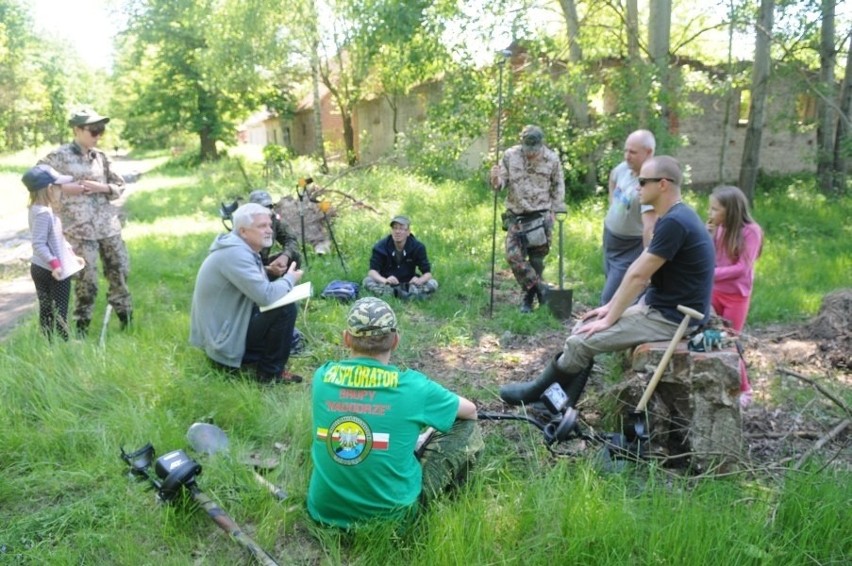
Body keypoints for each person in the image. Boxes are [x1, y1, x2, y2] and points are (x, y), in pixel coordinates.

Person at [500, 156, 715, 407]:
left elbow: (638, 277)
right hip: (661, 308)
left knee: (580, 342)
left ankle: (540, 398)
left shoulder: (675, 222)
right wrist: (608, 308)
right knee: (585, 325)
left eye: (643, 182)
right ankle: (558, 404)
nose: (637, 187)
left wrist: (610, 319)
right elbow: (638, 267)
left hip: (672, 319)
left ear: (663, 184)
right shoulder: (675, 217)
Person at [307, 297, 483, 528]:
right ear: (395, 340)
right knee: (468, 428)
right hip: (393, 520)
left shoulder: (322, 376)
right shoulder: (414, 387)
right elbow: (470, 411)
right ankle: (457, 497)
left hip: (323, 512)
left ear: (347, 338)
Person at [38, 107, 132, 336]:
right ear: (77, 130)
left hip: (108, 228)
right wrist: (61, 187)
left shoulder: (101, 158)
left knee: (119, 274)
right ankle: (81, 330)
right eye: (94, 130)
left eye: (101, 130)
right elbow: (34, 181)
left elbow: (120, 186)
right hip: (78, 232)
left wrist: (103, 187)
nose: (98, 135)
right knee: (86, 284)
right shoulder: (57, 156)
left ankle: (127, 324)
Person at [190, 203, 304, 383]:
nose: (269, 231)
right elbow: (265, 296)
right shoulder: (235, 254)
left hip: (225, 332)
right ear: (243, 231)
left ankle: (260, 361)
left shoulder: (239, 248)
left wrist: (269, 272)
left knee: (279, 293)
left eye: (269, 225)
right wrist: (290, 278)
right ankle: (269, 374)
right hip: (223, 346)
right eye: (261, 226)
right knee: (284, 306)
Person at [490, 125, 566, 313]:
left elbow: (558, 186)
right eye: (527, 148)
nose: (531, 153)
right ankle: (542, 289)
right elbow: (501, 184)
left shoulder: (552, 159)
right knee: (513, 256)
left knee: (536, 261)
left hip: (541, 215)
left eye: (535, 149)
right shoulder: (510, 156)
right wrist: (495, 180)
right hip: (517, 215)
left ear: (541, 144)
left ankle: (528, 300)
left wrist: (556, 212)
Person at [707, 185, 763, 404]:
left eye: (714, 209)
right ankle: (718, 380)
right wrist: (709, 236)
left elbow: (742, 268)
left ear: (730, 210)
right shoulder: (719, 228)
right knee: (711, 336)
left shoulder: (751, 231)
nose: (710, 214)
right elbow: (712, 257)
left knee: (730, 340)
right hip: (715, 292)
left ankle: (745, 389)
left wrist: (710, 275)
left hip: (736, 296)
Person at [23, 165, 84, 341]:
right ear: (49, 189)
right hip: (54, 271)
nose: (61, 190)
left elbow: (55, 239)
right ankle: (66, 343)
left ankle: (48, 343)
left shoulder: (35, 209)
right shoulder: (44, 213)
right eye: (58, 187)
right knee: (59, 309)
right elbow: (39, 243)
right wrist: (55, 265)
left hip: (40, 267)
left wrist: (72, 256)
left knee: (47, 309)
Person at [601, 129, 658, 304]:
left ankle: (606, 327)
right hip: (610, 239)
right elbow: (613, 177)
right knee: (614, 286)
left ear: (648, 152)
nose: (627, 156)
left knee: (609, 299)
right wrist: (613, 205)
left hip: (629, 248)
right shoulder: (625, 169)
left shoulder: (649, 181)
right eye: (625, 150)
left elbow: (650, 226)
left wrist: (647, 262)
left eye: (632, 152)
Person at [363, 215, 438, 299]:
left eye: (401, 229)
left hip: (409, 283)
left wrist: (419, 280)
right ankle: (405, 295)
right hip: (388, 283)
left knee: (433, 283)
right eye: (395, 228)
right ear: (391, 231)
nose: (397, 232)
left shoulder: (418, 247)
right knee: (367, 281)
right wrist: (385, 281)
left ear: (408, 232)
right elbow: (372, 272)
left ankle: (404, 294)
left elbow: (428, 274)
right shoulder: (380, 246)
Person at [247, 190, 301, 280]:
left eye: (270, 206)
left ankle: (286, 287)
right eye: (262, 208)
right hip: (249, 270)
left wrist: (285, 256)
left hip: (264, 263)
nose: (267, 210)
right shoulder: (245, 224)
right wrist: (267, 270)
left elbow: (291, 238)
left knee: (294, 256)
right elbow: (242, 266)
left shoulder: (274, 219)